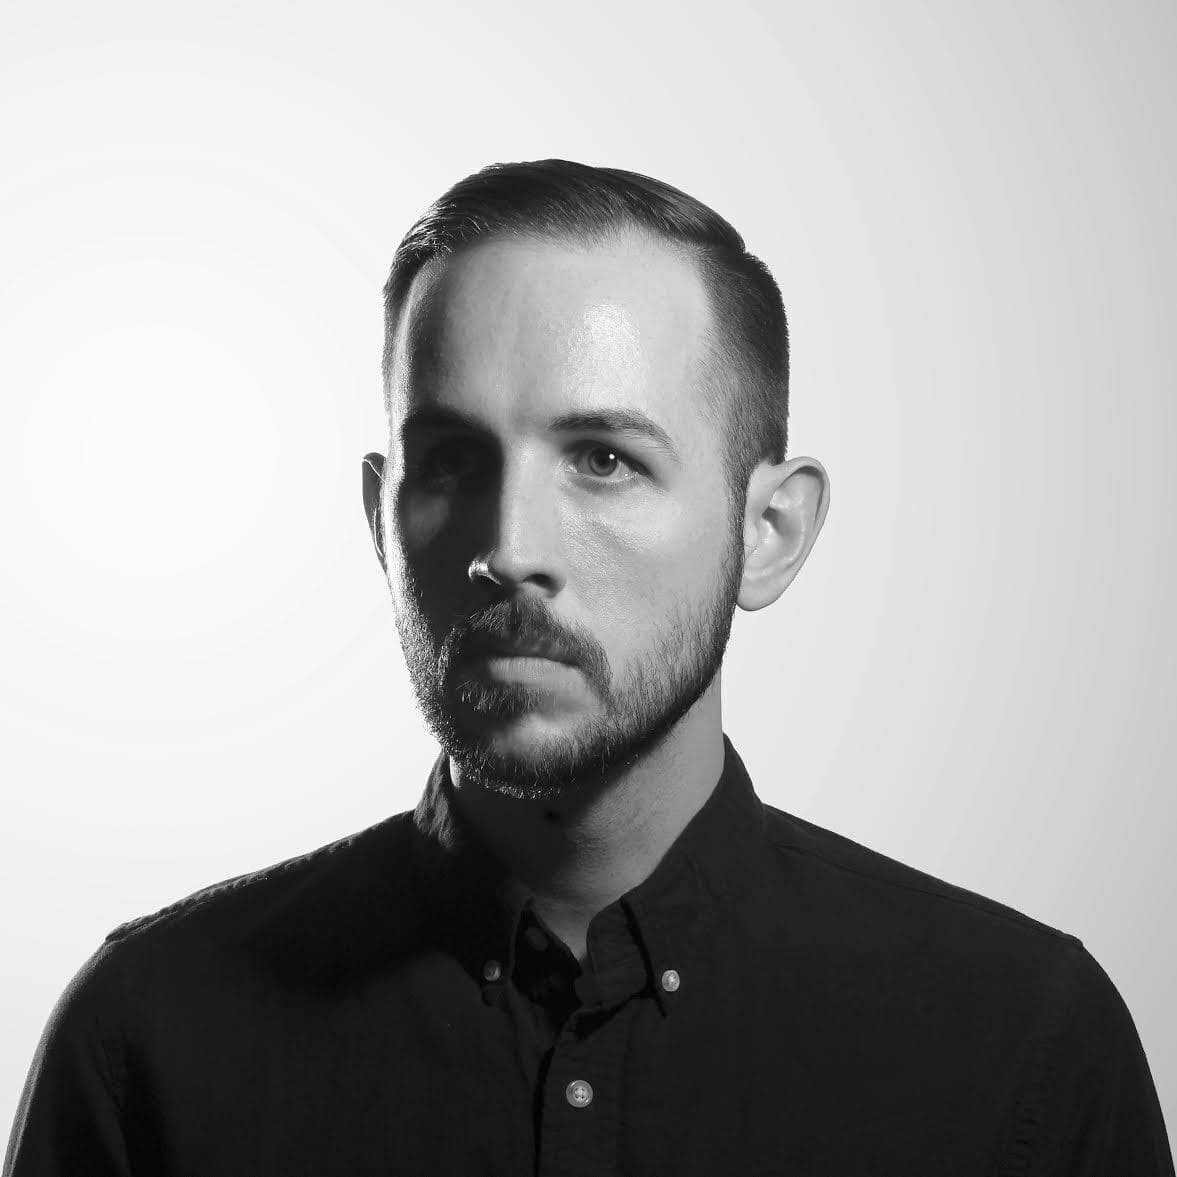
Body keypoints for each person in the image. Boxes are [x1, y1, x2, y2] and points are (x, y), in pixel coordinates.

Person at [4, 159, 1172, 1176]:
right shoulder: (147, 1038)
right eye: (452, 461)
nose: (508, 549)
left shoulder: (1018, 1043)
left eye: (603, 458)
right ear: (380, 519)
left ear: (768, 532)